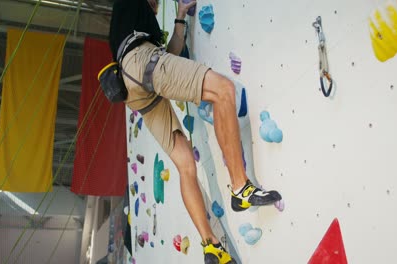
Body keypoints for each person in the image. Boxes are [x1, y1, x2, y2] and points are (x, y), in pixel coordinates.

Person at [108, 0, 282, 263]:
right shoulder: (133, 11)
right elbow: (159, 64)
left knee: (185, 164)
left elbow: (170, 57)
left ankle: (211, 245)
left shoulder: (132, 23)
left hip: (134, 87)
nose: (155, 5)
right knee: (223, 91)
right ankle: (240, 188)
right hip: (142, 63)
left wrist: (180, 16)